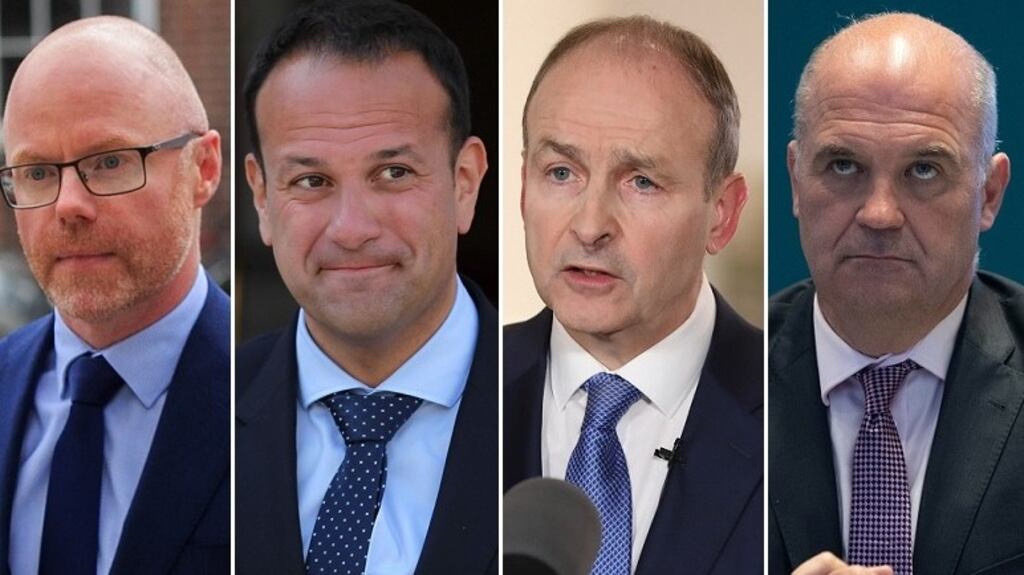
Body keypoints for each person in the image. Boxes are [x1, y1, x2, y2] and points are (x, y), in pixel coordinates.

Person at [235, 1, 496, 573]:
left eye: (394, 174)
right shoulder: (206, 416)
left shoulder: (568, 417)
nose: (351, 229)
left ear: (465, 182)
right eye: (311, 180)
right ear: (262, 198)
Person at [504, 16, 762, 574]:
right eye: (561, 172)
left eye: (640, 181)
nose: (590, 224)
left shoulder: (802, 413)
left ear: (722, 213)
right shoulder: (457, 394)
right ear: (523, 189)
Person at [768, 13, 1024, 575]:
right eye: (844, 165)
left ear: (989, 194)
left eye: (924, 170)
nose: (879, 214)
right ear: (794, 180)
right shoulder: (721, 378)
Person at [0, 15, 228, 575]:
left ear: (203, 169)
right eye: (36, 172)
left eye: (109, 162)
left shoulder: (284, 402)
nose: (67, 204)